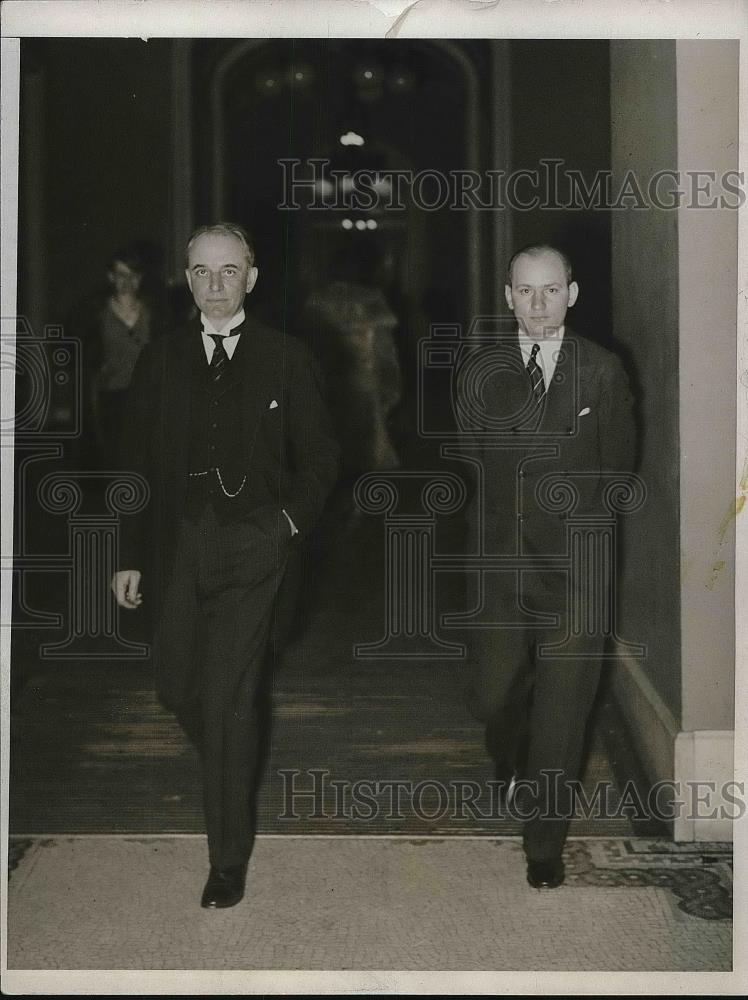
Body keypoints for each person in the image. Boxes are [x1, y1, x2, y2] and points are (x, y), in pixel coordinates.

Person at [111, 222, 339, 908]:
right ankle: (228, 762)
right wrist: (126, 557)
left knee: (228, 698)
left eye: (229, 271)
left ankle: (226, 863)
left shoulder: (287, 357)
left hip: (256, 548)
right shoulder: (160, 360)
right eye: (203, 272)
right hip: (180, 544)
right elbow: (134, 467)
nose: (215, 285)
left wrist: (288, 524)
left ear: (253, 277)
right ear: (186, 279)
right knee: (177, 685)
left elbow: (323, 456)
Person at [464, 244, 635, 889]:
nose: (538, 305)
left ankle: (544, 846)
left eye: (551, 291)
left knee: (565, 710)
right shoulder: (482, 371)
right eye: (525, 292)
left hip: (575, 570)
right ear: (508, 297)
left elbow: (619, 467)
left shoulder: (602, 372)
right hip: (501, 568)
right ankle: (511, 753)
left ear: (572, 293)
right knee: (493, 694)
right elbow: (478, 462)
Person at [75, 245, 158, 466]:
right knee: (116, 457)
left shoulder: (153, 312)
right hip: (112, 395)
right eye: (121, 275)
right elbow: (84, 352)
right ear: (111, 277)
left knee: (146, 457)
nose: (127, 281)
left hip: (147, 395)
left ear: (140, 278)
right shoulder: (97, 313)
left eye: (133, 275)